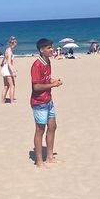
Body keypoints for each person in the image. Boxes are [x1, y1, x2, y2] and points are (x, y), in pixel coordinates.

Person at [31, 38, 63, 168]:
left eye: (52, 47)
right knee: (40, 130)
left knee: (53, 126)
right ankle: (39, 161)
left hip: (48, 100)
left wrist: (53, 80)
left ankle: (50, 156)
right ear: (41, 50)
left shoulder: (48, 61)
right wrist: (53, 85)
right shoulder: (36, 65)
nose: (52, 50)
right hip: (39, 102)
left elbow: (45, 79)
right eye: (49, 48)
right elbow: (36, 87)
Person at [1, 36, 18, 103]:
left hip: (4, 68)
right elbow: (9, 63)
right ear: (12, 44)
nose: (15, 47)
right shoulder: (10, 51)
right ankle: (12, 101)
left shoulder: (7, 50)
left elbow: (4, 59)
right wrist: (13, 72)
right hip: (7, 69)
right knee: (12, 85)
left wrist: (2, 63)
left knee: (6, 86)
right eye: (15, 45)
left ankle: (2, 101)